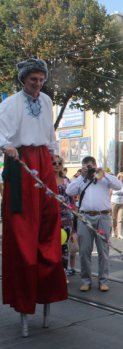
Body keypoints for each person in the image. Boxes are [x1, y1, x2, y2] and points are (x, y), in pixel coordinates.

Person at [0, 59, 68, 318]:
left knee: (49, 219)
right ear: (23, 80)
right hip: (21, 161)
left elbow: (49, 134)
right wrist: (6, 146)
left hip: (43, 160)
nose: (38, 84)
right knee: (23, 225)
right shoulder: (10, 104)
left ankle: (48, 286)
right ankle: (24, 293)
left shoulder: (47, 101)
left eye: (41, 80)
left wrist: (52, 158)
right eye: (33, 80)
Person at [66, 156, 123, 292]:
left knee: (103, 251)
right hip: (85, 217)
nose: (90, 169)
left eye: (91, 166)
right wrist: (82, 176)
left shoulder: (104, 179)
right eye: (87, 166)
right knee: (85, 251)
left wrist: (104, 173)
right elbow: (69, 191)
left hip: (102, 217)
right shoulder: (81, 180)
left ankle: (103, 280)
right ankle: (86, 280)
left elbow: (119, 185)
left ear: (95, 165)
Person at [53, 155, 75, 280]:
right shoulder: (46, 179)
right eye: (54, 163)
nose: (56, 165)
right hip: (51, 217)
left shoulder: (66, 180)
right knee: (51, 245)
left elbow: (71, 199)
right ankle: (52, 273)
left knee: (64, 247)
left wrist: (74, 217)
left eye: (59, 163)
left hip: (66, 217)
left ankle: (63, 274)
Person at [110, 172, 123, 240]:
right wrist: (109, 203)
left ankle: (119, 234)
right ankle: (113, 231)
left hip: (122, 202)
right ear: (119, 177)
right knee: (114, 218)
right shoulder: (114, 184)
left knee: (120, 219)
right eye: (122, 177)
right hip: (114, 201)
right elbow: (110, 193)